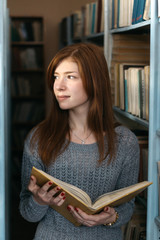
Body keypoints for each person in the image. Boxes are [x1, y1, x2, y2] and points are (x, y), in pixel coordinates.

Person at [19, 42, 140, 240]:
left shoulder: (125, 141)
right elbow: (27, 212)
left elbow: (127, 208)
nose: (59, 86)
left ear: (95, 81)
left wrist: (111, 217)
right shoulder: (39, 137)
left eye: (70, 77)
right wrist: (39, 201)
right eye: (56, 77)